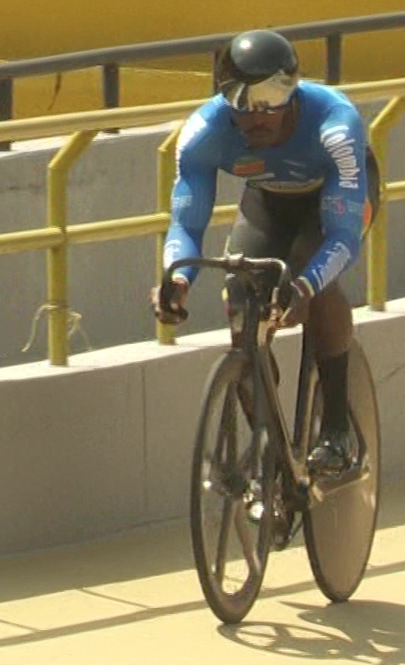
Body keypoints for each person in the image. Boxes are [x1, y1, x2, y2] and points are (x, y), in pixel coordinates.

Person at [153, 28, 380, 478]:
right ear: (223, 98)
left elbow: (342, 235)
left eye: (272, 97)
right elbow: (185, 222)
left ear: (293, 90)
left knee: (317, 285)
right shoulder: (203, 132)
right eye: (241, 100)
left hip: (333, 208)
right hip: (268, 204)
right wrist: (176, 279)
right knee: (242, 309)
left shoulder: (334, 123)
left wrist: (306, 286)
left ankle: (336, 429)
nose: (257, 115)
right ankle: (270, 443)